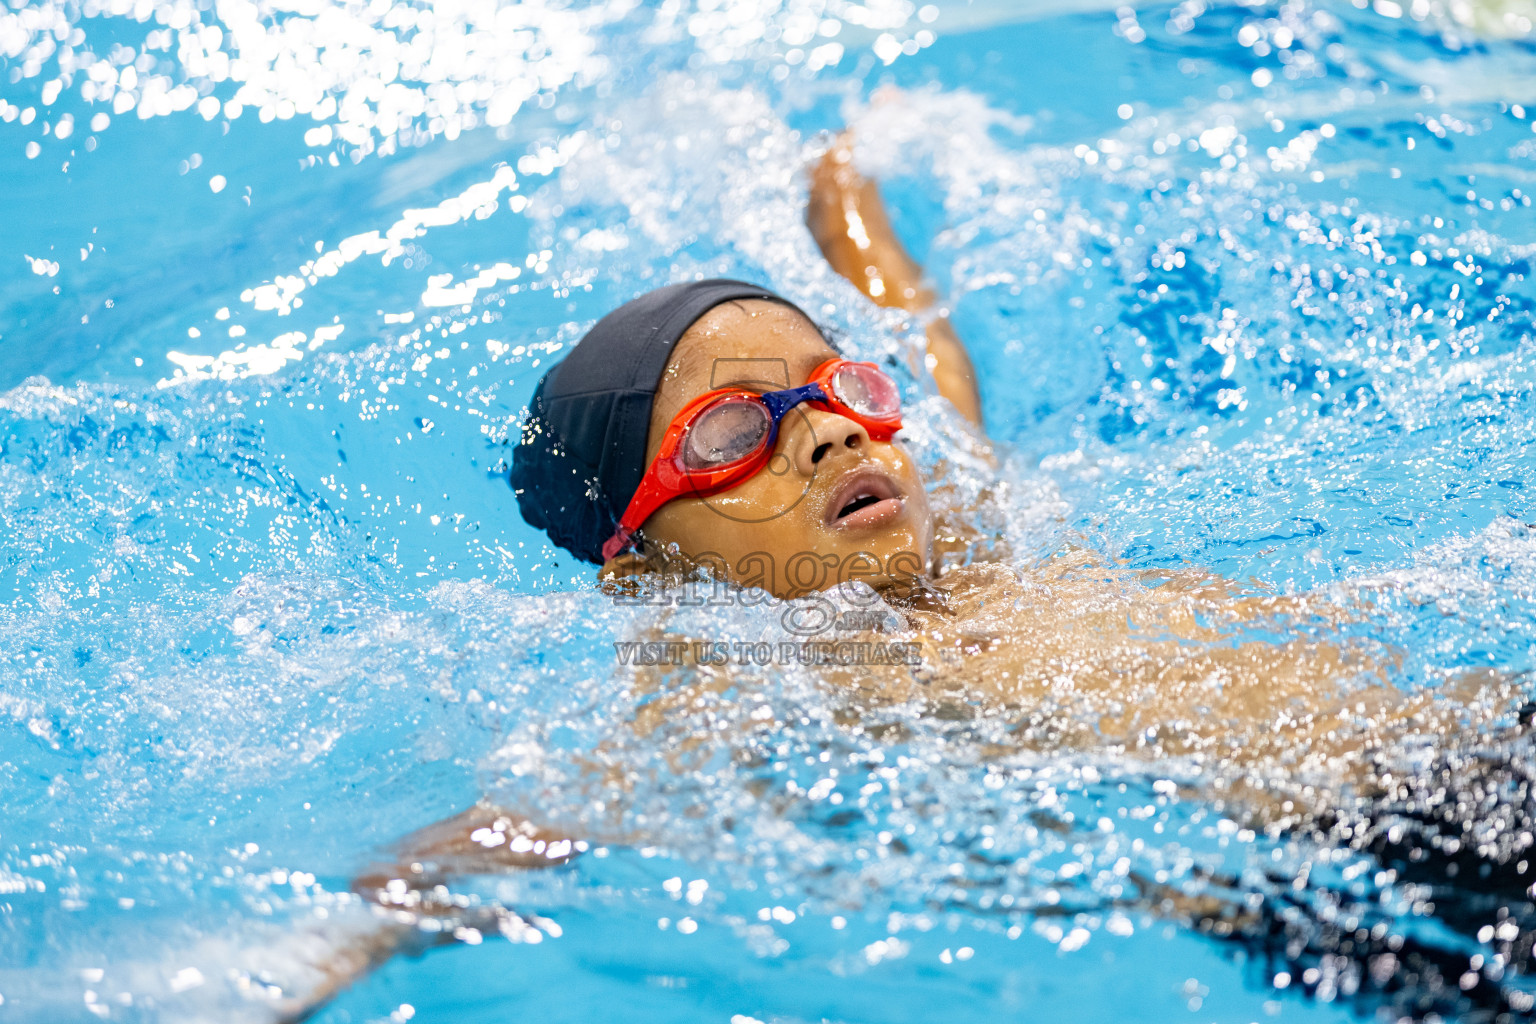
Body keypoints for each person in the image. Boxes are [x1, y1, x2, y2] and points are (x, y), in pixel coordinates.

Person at [277, 135, 1533, 1023]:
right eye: (730, 434)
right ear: (643, 563)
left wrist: (844, 191)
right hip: (1351, 881)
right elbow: (538, 816)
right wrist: (297, 954)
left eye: (835, 392)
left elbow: (926, 337)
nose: (827, 431)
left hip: (1474, 738)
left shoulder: (981, 523)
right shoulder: (738, 669)